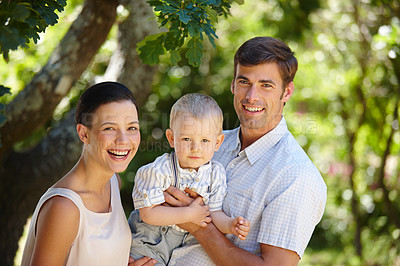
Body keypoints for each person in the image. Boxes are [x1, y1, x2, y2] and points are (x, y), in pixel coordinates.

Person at [165, 36, 328, 265]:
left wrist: (199, 227)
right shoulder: (211, 145)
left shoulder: (296, 176)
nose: (252, 96)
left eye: (266, 85)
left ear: (287, 92)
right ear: (233, 84)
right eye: (244, 82)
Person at [21, 82, 156, 266]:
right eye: (109, 128)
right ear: (83, 134)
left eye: (132, 128)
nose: (124, 140)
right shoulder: (64, 207)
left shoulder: (113, 182)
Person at [128, 93, 251, 265]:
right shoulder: (160, 170)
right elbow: (148, 214)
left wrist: (230, 225)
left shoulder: (216, 174)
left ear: (218, 142)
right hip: (149, 242)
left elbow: (214, 214)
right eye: (187, 139)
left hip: (182, 246)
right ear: (171, 138)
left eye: (205, 140)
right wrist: (189, 214)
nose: (195, 148)